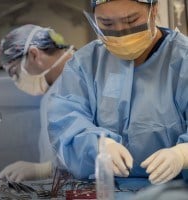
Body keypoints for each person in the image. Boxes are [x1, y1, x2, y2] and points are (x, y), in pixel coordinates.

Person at [47, 0, 188, 185]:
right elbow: (66, 121)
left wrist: (182, 155)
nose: (121, 32)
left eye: (131, 21)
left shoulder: (182, 59)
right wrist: (98, 144)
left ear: (153, 11)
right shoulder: (86, 63)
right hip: (105, 190)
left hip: (174, 191)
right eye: (107, 23)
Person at [0, 24, 75, 182]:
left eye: (15, 72)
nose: (16, 81)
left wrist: (46, 169)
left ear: (34, 55)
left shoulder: (82, 79)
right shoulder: (53, 91)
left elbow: (97, 148)